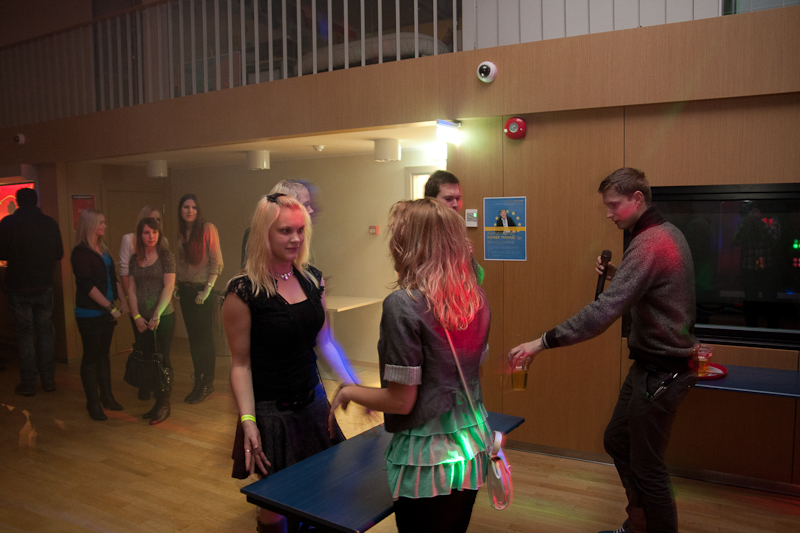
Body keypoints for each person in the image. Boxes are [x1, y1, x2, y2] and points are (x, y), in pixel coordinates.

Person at [508, 168, 697, 533]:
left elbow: (602, 314)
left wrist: (540, 342)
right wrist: (617, 274)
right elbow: (653, 287)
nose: (609, 214)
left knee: (648, 467)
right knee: (618, 439)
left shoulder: (651, 242)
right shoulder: (664, 233)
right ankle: (638, 522)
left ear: (637, 199)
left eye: (614, 205)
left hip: (663, 371)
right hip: (649, 367)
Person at [329, 198, 492, 533]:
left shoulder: (403, 305)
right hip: (472, 447)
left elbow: (401, 400)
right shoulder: (476, 298)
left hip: (428, 461)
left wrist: (349, 391)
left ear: (407, 244)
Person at [224, 192, 357, 533]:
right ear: (264, 234)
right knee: (274, 507)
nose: (295, 238)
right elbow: (240, 365)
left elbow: (325, 341)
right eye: (285, 231)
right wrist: (248, 421)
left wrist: (353, 385)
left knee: (320, 491)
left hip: (313, 403)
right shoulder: (243, 291)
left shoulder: (312, 279)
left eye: (300, 230)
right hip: (271, 413)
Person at [0, 188, 63, 396]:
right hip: (44, 285)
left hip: (18, 286)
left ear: (17, 202)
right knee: (45, 332)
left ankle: (28, 383)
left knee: (25, 334)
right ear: (36, 201)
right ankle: (48, 380)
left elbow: (1, 252)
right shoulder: (49, 223)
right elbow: (59, 253)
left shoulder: (8, 223)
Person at [71, 208, 129, 421]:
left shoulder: (103, 250)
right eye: (101, 222)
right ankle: (92, 402)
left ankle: (107, 397)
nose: (105, 225)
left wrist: (123, 301)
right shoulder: (80, 252)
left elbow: (112, 278)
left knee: (103, 355)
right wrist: (109, 307)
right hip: (89, 313)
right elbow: (86, 285)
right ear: (91, 225)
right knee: (91, 357)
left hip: (106, 312)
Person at [127, 217, 176, 425]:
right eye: (147, 232)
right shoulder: (134, 259)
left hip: (163, 316)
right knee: (147, 359)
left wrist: (156, 315)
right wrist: (136, 315)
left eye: (154, 232)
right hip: (141, 318)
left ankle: (164, 404)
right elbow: (131, 288)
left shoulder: (166, 256)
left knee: (162, 359)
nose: (151, 236)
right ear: (140, 235)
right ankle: (156, 404)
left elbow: (169, 287)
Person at [175, 193, 223, 404]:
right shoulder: (181, 233)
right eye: (186, 207)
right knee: (194, 340)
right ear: (180, 210)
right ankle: (198, 381)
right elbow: (181, 263)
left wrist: (207, 290)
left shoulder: (207, 228)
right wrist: (177, 286)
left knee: (204, 339)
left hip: (202, 291)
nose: (190, 211)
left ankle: (207, 383)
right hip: (185, 291)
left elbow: (217, 263)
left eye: (193, 207)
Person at [119, 204, 166, 401]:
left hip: (158, 306)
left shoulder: (163, 245)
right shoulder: (129, 240)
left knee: (159, 349)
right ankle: (143, 385)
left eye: (158, 221)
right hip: (138, 304)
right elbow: (125, 274)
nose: (154, 226)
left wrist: (158, 312)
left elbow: (167, 281)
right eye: (151, 220)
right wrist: (133, 308)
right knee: (142, 346)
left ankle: (159, 387)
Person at [424, 170, 484, 285]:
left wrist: (469, 258)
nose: (456, 204)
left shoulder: (456, 229)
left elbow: (477, 279)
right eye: (448, 199)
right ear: (431, 200)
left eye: (458, 198)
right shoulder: (419, 230)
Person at [240, 180, 315, 268]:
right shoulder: (256, 234)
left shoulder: (301, 235)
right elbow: (252, 271)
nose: (311, 210)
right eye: (305, 205)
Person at [732, 201, 780, 328]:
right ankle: (751, 329)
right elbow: (735, 241)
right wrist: (746, 222)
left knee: (770, 300)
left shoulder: (771, 220)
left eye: (757, 209)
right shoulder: (745, 223)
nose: (755, 212)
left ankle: (773, 330)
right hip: (749, 269)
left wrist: (760, 222)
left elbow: (775, 239)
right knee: (750, 302)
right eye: (752, 210)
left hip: (767, 268)